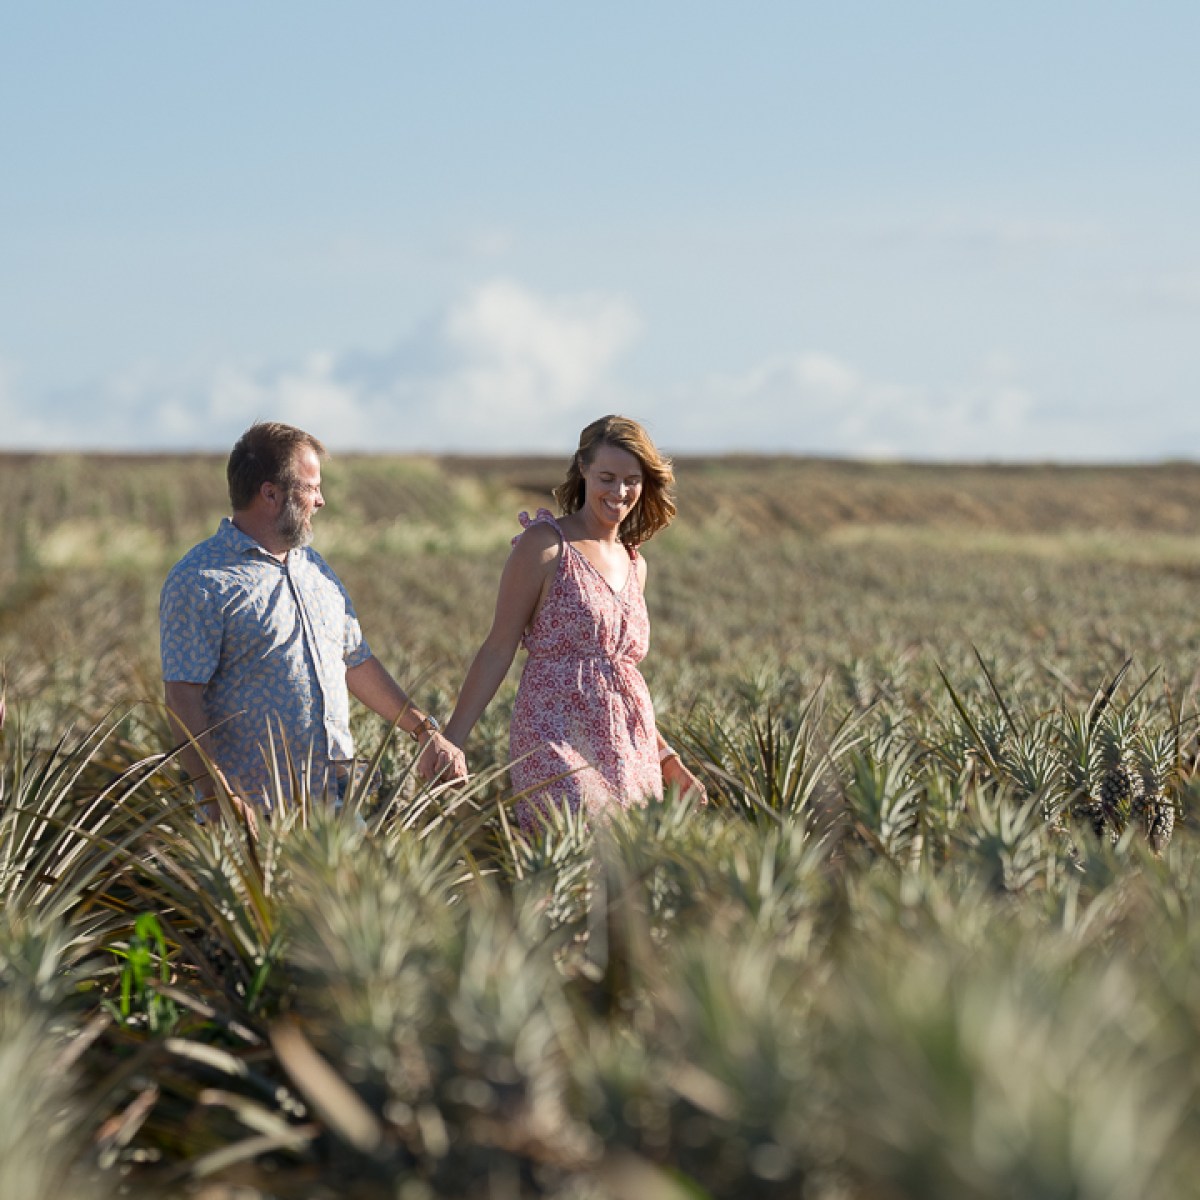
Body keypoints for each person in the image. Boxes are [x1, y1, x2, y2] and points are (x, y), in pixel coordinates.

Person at [160, 421, 466, 822]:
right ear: (270, 493)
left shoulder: (315, 570)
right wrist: (217, 793)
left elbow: (355, 662)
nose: (321, 501)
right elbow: (182, 698)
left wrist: (425, 732)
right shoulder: (201, 578)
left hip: (334, 807)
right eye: (311, 487)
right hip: (252, 812)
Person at [444, 414, 706, 827]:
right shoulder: (545, 546)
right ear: (582, 469)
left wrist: (666, 758)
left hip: (631, 749)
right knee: (571, 855)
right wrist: (451, 740)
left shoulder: (636, 565)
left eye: (631, 480)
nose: (619, 492)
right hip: (554, 737)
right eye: (606, 476)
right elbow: (498, 648)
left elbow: (618, 679)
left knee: (623, 875)